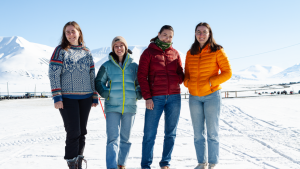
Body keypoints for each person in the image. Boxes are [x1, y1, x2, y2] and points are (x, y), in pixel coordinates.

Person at [48, 21, 98, 169]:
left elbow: (91, 74)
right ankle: (71, 163)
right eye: (67, 32)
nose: (70, 34)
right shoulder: (61, 50)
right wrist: (57, 96)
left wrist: (94, 95)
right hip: (67, 98)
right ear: (65, 35)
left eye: (72, 31)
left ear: (79, 32)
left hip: (86, 97)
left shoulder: (87, 51)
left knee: (82, 132)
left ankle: (79, 163)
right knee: (73, 131)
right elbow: (53, 73)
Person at [184, 22, 232, 169]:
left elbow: (227, 73)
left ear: (210, 34)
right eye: (198, 32)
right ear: (195, 34)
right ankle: (201, 162)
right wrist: (188, 83)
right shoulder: (189, 52)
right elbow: (187, 74)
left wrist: (211, 82)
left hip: (212, 96)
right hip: (194, 97)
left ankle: (212, 163)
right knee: (198, 133)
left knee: (212, 132)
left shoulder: (217, 50)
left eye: (204, 32)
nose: (201, 34)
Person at [137, 25, 184, 169]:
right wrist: (147, 97)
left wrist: (183, 75)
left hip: (174, 98)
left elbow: (181, 75)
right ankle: (146, 165)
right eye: (165, 35)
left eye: (170, 36)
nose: (167, 38)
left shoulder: (175, 53)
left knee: (171, 133)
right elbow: (141, 76)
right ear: (158, 34)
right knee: (149, 134)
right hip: (155, 98)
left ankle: (165, 163)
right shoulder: (148, 52)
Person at [95, 36, 142, 169]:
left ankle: (122, 164)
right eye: (116, 46)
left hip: (130, 107)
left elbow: (141, 83)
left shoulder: (134, 66)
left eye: (121, 45)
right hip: (112, 107)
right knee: (112, 139)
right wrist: (106, 93)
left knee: (126, 139)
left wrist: (137, 94)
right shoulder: (106, 66)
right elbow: (99, 82)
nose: (119, 48)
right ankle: (111, 166)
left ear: (126, 47)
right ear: (113, 49)